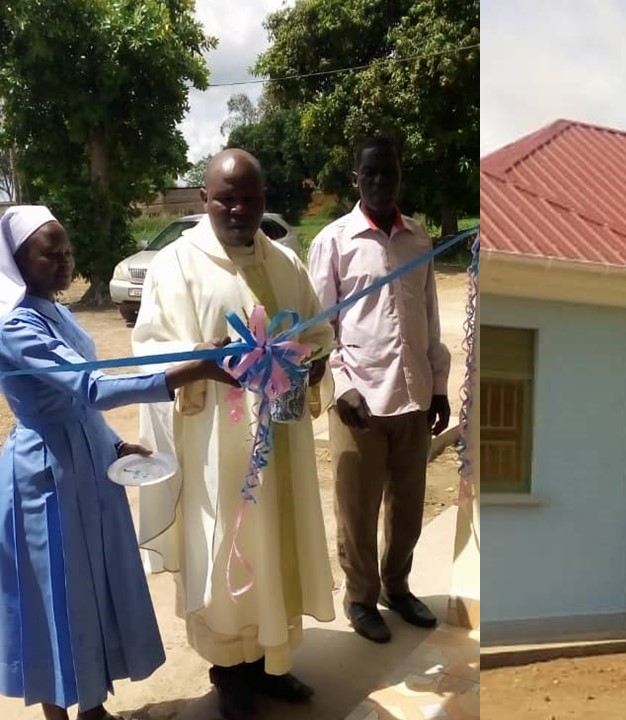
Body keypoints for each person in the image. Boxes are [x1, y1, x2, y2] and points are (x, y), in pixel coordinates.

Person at [0, 206, 233, 720]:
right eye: (50, 253)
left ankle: (92, 707)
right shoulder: (15, 326)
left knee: (91, 585)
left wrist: (112, 444)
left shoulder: (55, 311)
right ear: (19, 261)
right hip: (45, 476)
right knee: (54, 592)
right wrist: (189, 371)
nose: (64, 262)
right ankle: (59, 712)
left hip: (87, 462)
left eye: (67, 251)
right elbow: (90, 385)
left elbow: (83, 396)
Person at [131, 149, 336, 720]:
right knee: (231, 550)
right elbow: (150, 352)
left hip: (282, 445)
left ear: (264, 201)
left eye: (250, 198)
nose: (238, 208)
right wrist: (205, 365)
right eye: (226, 198)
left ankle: (272, 665)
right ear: (204, 201)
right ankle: (231, 676)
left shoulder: (286, 263)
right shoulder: (176, 266)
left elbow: (318, 330)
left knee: (278, 547)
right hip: (217, 449)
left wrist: (314, 361)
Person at [308, 136, 452, 644]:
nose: (379, 183)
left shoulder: (419, 240)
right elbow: (319, 331)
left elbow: (430, 317)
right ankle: (361, 598)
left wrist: (438, 385)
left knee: (409, 504)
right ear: (355, 179)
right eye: (369, 174)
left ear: (399, 176)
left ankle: (397, 585)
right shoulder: (333, 241)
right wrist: (340, 385)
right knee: (358, 508)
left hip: (413, 397)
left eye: (387, 173)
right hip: (358, 403)